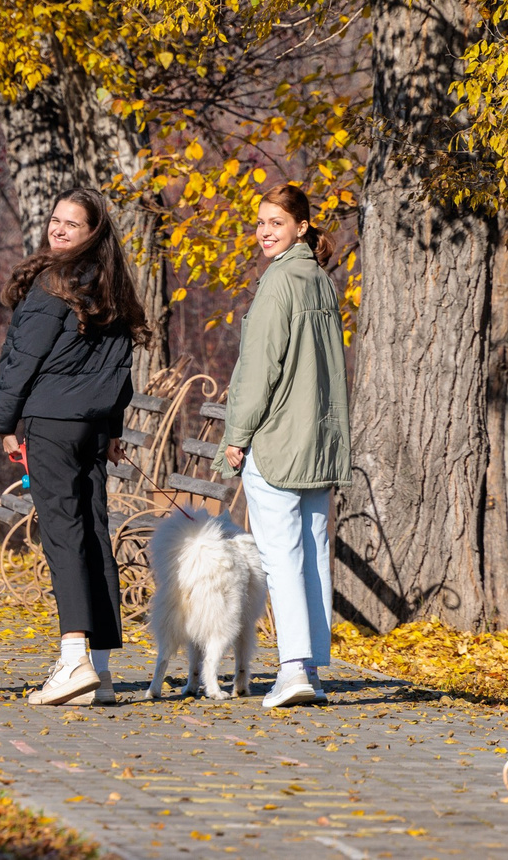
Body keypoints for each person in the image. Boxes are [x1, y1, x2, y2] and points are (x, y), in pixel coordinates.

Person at [0, 187, 148, 706]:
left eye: (71, 224)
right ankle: (98, 669)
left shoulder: (54, 284)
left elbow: (21, 361)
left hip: (53, 424)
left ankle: (74, 656)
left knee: (64, 536)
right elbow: (118, 371)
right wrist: (114, 428)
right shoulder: (111, 286)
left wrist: (7, 422)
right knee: (93, 532)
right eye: (55, 220)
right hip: (93, 429)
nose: (57, 229)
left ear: (92, 233)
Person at [220, 184, 352, 708]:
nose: (265, 231)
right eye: (260, 223)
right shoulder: (320, 281)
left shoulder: (278, 284)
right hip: (317, 442)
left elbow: (258, 370)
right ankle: (311, 669)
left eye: (276, 221)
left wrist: (237, 434)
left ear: (301, 226)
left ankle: (294, 669)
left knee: (283, 557)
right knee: (313, 555)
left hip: (277, 441)